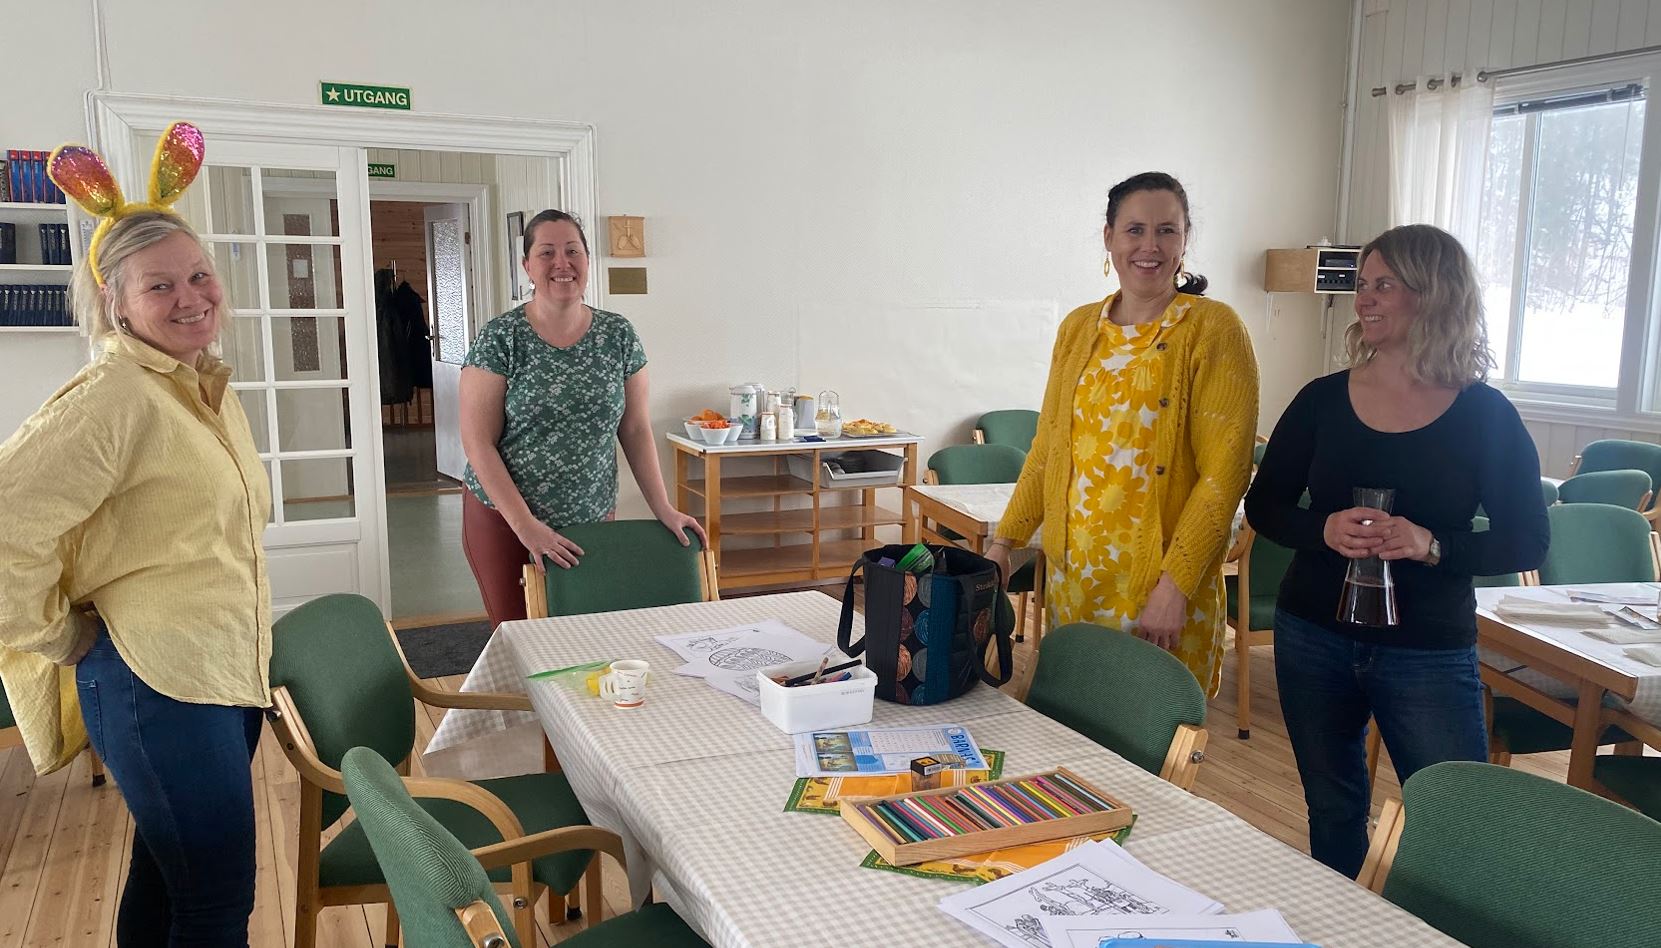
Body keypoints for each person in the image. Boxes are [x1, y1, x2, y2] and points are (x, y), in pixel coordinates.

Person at [0, 125, 272, 943]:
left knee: (169, 878)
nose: (192, 297)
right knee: (215, 900)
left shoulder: (199, 385)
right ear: (114, 302)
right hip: (156, 684)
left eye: (199, 275)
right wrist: (59, 636)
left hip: (222, 668)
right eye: (160, 286)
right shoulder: (113, 395)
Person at [1244, 223, 1549, 878]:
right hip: (1313, 634)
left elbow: (1527, 538)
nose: (1364, 299)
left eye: (1384, 284)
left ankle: (1443, 924)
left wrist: (1431, 544)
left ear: (1433, 293)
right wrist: (1322, 529)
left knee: (1454, 818)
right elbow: (1265, 505)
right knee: (1332, 806)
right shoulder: (1321, 400)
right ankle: (1343, 917)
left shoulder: (1484, 415)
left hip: (1426, 649)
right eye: (1362, 284)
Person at [989, 172, 1260, 695]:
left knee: (1148, 731)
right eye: (1135, 230)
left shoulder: (1213, 329)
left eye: (1167, 231)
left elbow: (1223, 476)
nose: (1149, 246)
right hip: (1075, 582)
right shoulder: (1078, 328)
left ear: (1185, 240)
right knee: (1071, 727)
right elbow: (1048, 449)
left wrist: (1175, 586)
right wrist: (1005, 543)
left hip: (1159, 589)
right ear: (1109, 237)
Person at [460, 210, 705, 627]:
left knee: (585, 635)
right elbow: (477, 442)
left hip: (590, 518)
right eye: (547, 253)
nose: (562, 263)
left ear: (588, 261)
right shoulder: (501, 338)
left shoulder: (618, 335)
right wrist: (527, 526)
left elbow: (634, 428)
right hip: (504, 520)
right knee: (520, 636)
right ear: (527, 266)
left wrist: (661, 507)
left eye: (573, 251)